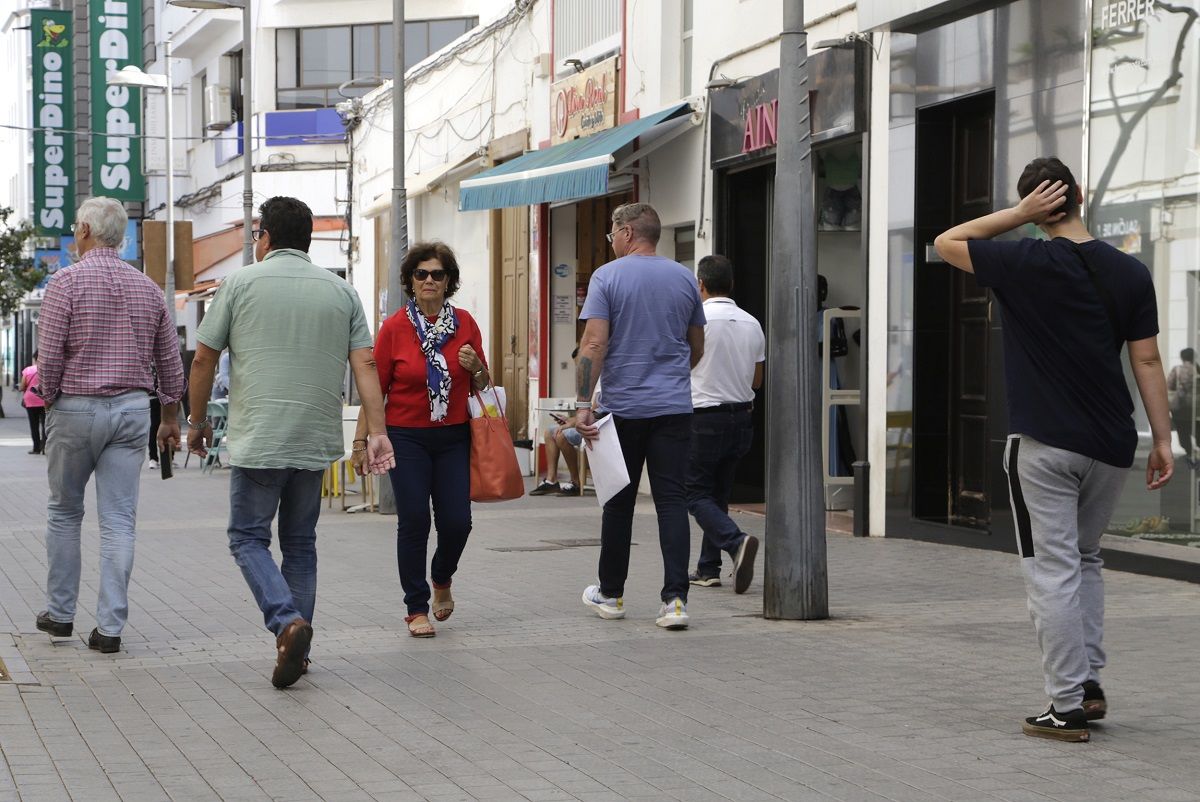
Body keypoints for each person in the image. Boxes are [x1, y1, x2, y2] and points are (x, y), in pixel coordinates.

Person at [935, 157, 1173, 742]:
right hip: (1110, 443)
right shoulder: (1130, 272)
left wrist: (1017, 217)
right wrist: (1164, 439)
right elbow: (1145, 359)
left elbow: (946, 242)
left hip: (1044, 444)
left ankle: (1065, 705)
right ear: (1081, 196)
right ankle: (1088, 684)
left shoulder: (1022, 260)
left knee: (1052, 570)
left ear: (1038, 208)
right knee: (1086, 559)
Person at [187, 196, 393, 688]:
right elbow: (365, 365)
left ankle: (286, 622)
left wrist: (197, 421)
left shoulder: (237, 284)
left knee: (247, 538)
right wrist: (379, 432)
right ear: (308, 239)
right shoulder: (341, 291)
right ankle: (297, 655)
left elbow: (202, 360)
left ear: (265, 236)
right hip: (314, 439)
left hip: (259, 438)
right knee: (300, 544)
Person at [34, 197, 185, 654]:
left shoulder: (65, 283)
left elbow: (51, 357)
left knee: (64, 512)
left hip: (76, 407)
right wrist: (170, 418)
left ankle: (60, 615)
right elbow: (170, 363)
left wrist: (49, 398)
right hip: (133, 411)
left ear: (83, 231)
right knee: (119, 521)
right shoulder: (146, 288)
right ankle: (109, 628)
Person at [576, 203, 706, 630]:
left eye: (612, 231)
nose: (610, 239)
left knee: (618, 502)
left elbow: (593, 345)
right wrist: (667, 379)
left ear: (628, 232)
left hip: (624, 409)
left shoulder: (607, 277)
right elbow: (696, 347)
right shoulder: (685, 278)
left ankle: (611, 594)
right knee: (672, 502)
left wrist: (582, 403)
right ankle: (675, 603)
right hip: (673, 409)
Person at [352, 241, 490, 639]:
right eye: (421, 274)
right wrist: (362, 442)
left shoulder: (464, 323)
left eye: (438, 274)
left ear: (449, 282)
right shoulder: (395, 327)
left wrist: (477, 366)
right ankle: (415, 607)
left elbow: (483, 383)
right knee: (413, 520)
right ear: (410, 281)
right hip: (406, 437)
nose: (429, 281)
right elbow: (373, 390)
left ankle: (441, 577)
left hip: (453, 436)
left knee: (457, 523)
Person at [685, 255, 765, 594]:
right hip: (742, 418)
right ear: (731, 285)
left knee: (693, 493)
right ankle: (708, 568)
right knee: (717, 494)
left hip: (704, 417)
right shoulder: (752, 323)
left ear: (700, 285)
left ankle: (735, 542)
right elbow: (758, 380)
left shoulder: (697, 320)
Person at [531, 348, 585, 497]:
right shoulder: (583, 379)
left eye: (580, 363)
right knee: (549, 431)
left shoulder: (597, 380)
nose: (578, 367)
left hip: (593, 425)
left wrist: (572, 423)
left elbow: (593, 411)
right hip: (580, 422)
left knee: (562, 435)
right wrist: (569, 420)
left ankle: (576, 482)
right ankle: (551, 480)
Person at [1166, 348, 1196, 465]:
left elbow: (1169, 386)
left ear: (1182, 358)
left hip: (1180, 409)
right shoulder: (1197, 370)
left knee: (1183, 434)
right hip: (1197, 409)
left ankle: (1190, 454)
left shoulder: (1177, 370)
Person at [20, 352, 46, 454]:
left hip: (30, 400)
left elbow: (22, 386)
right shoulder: (46, 370)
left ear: (34, 359)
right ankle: (45, 448)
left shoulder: (27, 370)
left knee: (34, 425)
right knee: (45, 425)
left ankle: (36, 448)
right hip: (44, 400)